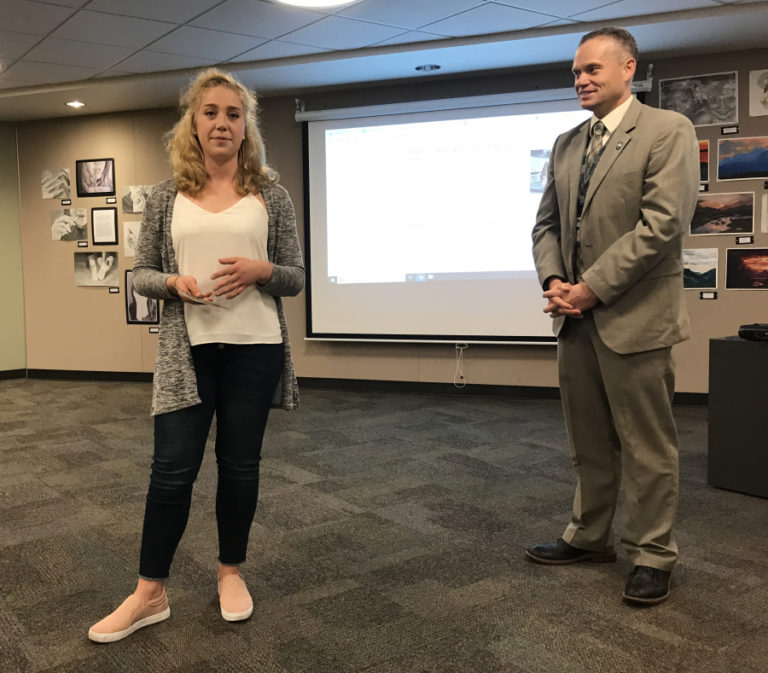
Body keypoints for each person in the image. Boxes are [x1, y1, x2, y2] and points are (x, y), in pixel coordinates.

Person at [88, 67, 304, 642]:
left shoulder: (270, 196)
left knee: (239, 468)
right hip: (190, 354)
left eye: (234, 114)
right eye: (211, 112)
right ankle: (148, 592)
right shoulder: (166, 197)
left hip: (255, 351)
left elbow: (295, 278)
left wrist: (264, 271)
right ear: (193, 121)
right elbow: (141, 275)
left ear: (246, 126)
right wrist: (174, 285)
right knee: (171, 472)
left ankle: (230, 572)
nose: (222, 123)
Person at [528, 27, 699, 606]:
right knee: (590, 439)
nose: (581, 80)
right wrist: (555, 282)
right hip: (574, 318)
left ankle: (652, 553)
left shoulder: (667, 130)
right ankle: (590, 535)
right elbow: (546, 224)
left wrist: (590, 289)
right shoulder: (566, 142)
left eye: (593, 70)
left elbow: (662, 226)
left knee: (648, 445)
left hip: (634, 317)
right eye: (576, 72)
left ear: (629, 69)